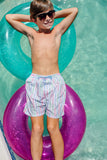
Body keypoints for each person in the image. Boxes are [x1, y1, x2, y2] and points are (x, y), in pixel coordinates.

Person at [6, 0, 78, 159]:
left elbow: (74, 10)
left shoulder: (57, 31)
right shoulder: (32, 33)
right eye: (42, 16)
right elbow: (10, 18)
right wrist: (31, 18)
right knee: (37, 129)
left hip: (54, 83)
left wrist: (53, 13)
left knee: (53, 128)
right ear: (34, 19)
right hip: (35, 83)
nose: (47, 19)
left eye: (50, 15)